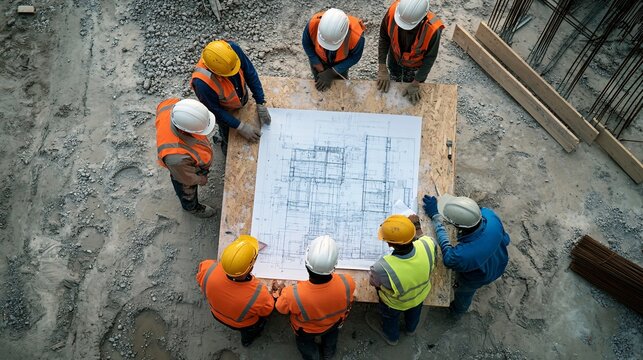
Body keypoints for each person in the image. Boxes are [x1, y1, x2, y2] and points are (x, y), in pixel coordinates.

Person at [422, 194, 510, 315]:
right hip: (500, 261)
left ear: (458, 226)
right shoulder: (490, 216)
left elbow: (448, 255)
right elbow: (506, 239)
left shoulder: (462, 255)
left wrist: (436, 217)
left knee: (464, 294)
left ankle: (457, 311)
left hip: (478, 277)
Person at [276, 236, 356, 360]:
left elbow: (281, 309)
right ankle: (328, 354)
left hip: (306, 330)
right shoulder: (347, 282)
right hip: (333, 324)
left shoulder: (292, 294)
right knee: (331, 339)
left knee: (306, 346)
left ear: (306, 264)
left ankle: (312, 357)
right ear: (334, 266)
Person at [191, 40, 272, 155]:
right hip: (226, 110)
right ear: (215, 72)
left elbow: (250, 72)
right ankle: (225, 147)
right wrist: (240, 127)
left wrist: (260, 101)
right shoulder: (202, 83)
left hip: (240, 99)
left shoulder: (232, 51)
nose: (233, 73)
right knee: (227, 135)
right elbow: (215, 111)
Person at [367, 215, 437, 345]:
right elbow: (423, 240)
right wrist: (416, 227)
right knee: (414, 315)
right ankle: (411, 330)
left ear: (389, 243)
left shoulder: (381, 268)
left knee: (390, 320)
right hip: (419, 296)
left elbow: (373, 283)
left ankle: (392, 339)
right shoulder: (428, 243)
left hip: (395, 304)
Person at [196, 235, 275, 347]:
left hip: (215, 313)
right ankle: (247, 340)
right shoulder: (258, 294)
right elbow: (266, 311)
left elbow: (200, 279)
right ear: (251, 268)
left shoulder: (208, 268)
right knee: (252, 330)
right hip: (241, 324)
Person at [155, 98, 216, 218]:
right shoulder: (176, 157)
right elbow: (186, 177)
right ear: (184, 131)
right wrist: (200, 179)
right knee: (186, 188)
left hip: (185, 156)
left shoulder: (176, 106)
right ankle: (192, 207)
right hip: (181, 170)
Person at [377, 0, 445, 104]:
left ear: (422, 19)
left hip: (415, 66)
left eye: (409, 28)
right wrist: (382, 66)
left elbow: (430, 58)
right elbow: (384, 37)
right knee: (394, 77)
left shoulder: (433, 30)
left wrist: (416, 82)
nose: (403, 29)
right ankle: (395, 77)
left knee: (410, 90)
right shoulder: (394, 12)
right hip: (395, 58)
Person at [302, 8, 366, 91]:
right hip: (318, 57)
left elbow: (355, 57)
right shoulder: (313, 24)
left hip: (341, 62)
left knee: (339, 84)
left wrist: (333, 72)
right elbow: (306, 44)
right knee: (319, 80)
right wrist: (316, 63)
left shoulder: (357, 36)